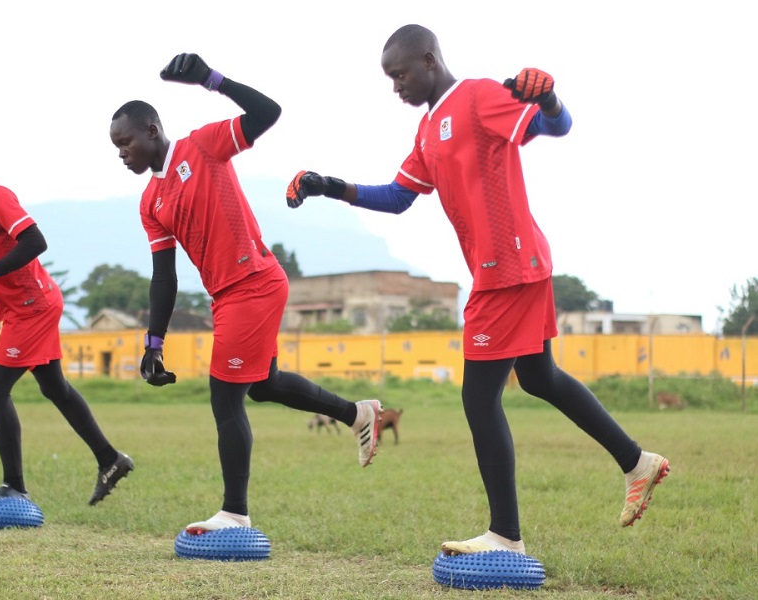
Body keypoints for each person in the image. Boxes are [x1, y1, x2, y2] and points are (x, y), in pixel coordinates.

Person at [286, 24, 669, 555]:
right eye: (389, 78)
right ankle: (637, 462)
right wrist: (329, 186)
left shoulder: (477, 97)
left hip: (508, 266)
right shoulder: (428, 129)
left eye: (400, 74)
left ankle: (505, 535)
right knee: (539, 377)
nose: (395, 86)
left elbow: (555, 125)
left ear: (429, 59)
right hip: (512, 267)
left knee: (479, 397)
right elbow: (397, 196)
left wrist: (550, 98)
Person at [108, 53, 382, 533]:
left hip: (254, 283)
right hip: (227, 297)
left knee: (224, 395)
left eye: (126, 142)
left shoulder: (202, 146)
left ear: (152, 131)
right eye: (116, 147)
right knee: (262, 385)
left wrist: (211, 79)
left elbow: (267, 113)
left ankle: (235, 513)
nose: (121, 153)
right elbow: (164, 277)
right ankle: (356, 414)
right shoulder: (150, 202)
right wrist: (154, 342)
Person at [0, 134, 133, 506]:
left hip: (34, 305)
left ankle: (14, 486)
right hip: (13, 308)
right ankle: (111, 459)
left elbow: (35, 242)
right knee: (55, 389)